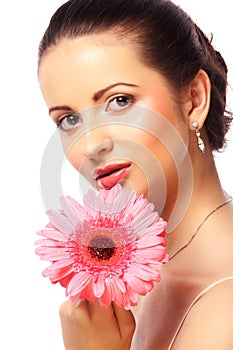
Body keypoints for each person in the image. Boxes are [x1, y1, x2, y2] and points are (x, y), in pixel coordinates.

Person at [37, 0, 233, 348]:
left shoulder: (225, 305)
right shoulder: (127, 276)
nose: (91, 144)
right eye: (69, 119)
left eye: (120, 101)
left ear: (194, 98)